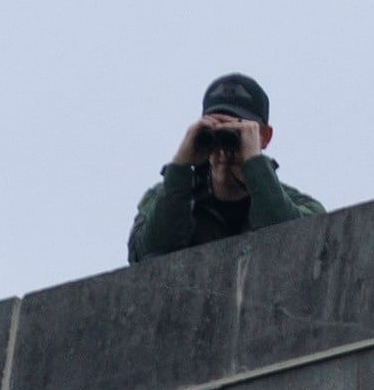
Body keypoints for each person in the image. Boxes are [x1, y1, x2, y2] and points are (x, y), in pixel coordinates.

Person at [125, 72, 328, 263]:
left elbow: (298, 249)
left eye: (236, 132)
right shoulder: (170, 196)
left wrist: (254, 165)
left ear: (265, 137)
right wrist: (181, 165)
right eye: (215, 130)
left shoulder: (300, 205)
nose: (224, 146)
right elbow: (144, 256)